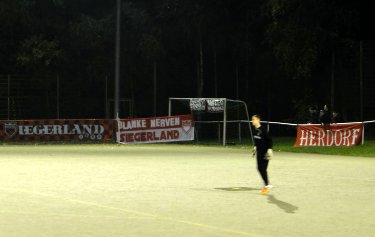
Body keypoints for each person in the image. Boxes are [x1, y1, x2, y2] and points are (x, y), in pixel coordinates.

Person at [251, 114, 273, 195]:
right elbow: (256, 141)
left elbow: (269, 140)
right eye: (252, 119)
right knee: (260, 168)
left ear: (258, 120)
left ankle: (267, 186)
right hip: (259, 152)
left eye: (253, 119)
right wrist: (255, 148)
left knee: (262, 169)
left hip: (265, 152)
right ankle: (267, 185)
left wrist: (270, 149)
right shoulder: (255, 130)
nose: (252, 121)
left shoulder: (263, 129)